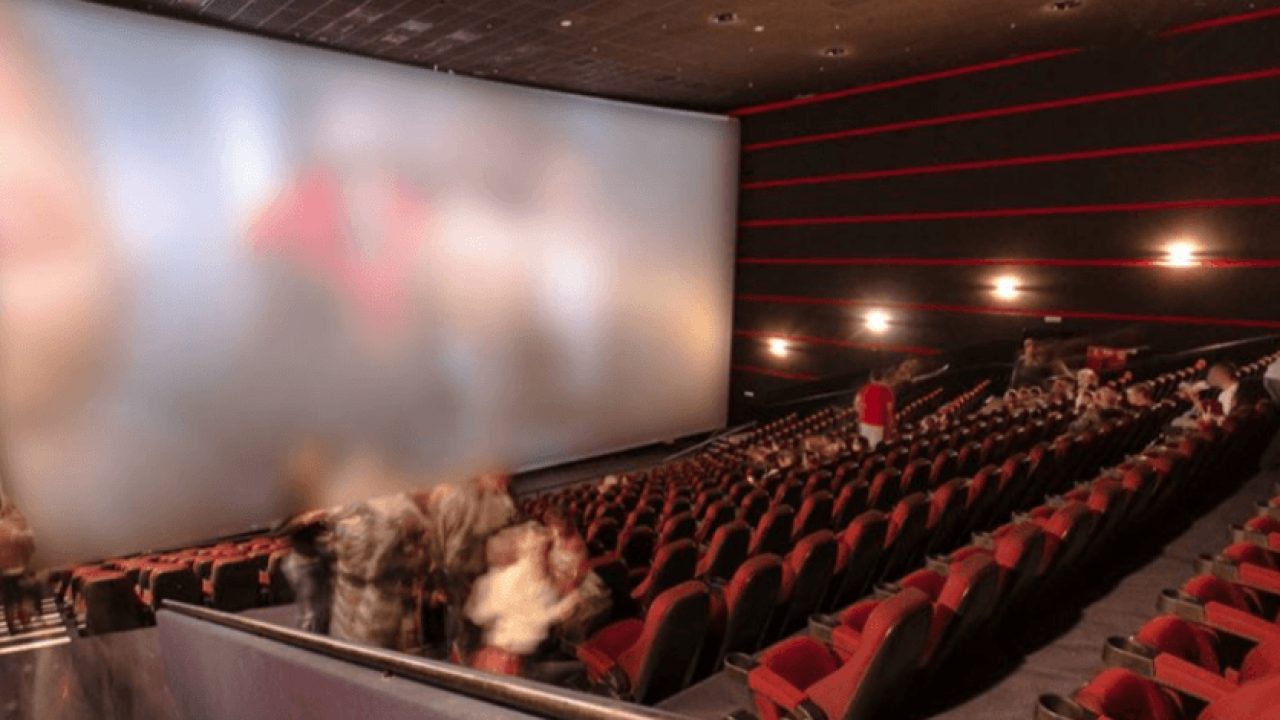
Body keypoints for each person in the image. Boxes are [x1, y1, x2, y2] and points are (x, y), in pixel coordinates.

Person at [422, 470, 518, 661]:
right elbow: (442, 548)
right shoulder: (457, 499)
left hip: (486, 575)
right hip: (460, 577)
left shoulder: (499, 500)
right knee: (463, 632)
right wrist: (443, 581)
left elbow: (507, 530)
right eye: (497, 476)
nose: (503, 482)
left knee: (483, 632)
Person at [467, 524, 577, 677]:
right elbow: (533, 619)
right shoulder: (511, 579)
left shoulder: (542, 583)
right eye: (536, 550)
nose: (541, 555)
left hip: (522, 659)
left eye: (544, 550)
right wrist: (560, 610)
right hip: (503, 662)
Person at [327, 492, 428, 651]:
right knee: (372, 655)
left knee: (345, 650)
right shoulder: (402, 509)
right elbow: (415, 557)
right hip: (380, 602)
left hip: (349, 595)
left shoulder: (344, 506)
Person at [278, 509, 335, 634]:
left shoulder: (321, 554)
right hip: (302, 564)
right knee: (311, 612)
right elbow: (283, 530)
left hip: (312, 559)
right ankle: (308, 639)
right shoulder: (295, 517)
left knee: (322, 609)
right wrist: (303, 520)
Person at [0, 497, 36, 635]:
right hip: (17, 569)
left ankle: (11, 627)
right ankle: (25, 620)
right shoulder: (10, 528)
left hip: (4, 572)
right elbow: (29, 545)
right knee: (22, 597)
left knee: (8, 602)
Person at [855, 369, 895, 448]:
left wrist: (860, 417)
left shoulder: (864, 388)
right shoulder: (887, 390)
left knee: (864, 445)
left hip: (864, 422)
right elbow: (889, 410)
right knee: (874, 446)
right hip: (878, 423)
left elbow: (857, 404)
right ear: (882, 378)